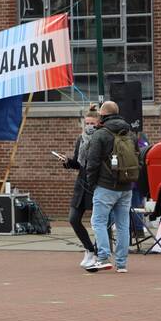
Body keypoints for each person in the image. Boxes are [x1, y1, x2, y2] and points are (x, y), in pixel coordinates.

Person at [85, 101, 134, 273]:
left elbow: (92, 162)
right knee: (123, 225)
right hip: (126, 186)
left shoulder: (101, 134)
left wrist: (91, 183)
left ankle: (103, 257)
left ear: (103, 115)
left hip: (105, 185)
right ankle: (122, 264)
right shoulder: (130, 133)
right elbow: (138, 158)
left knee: (98, 221)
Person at [61, 105, 100, 269]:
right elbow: (78, 163)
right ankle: (89, 249)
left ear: (98, 123)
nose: (89, 126)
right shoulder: (81, 139)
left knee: (99, 222)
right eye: (87, 123)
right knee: (73, 219)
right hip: (82, 184)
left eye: (92, 123)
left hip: (97, 184)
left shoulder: (102, 138)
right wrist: (68, 162)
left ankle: (99, 253)